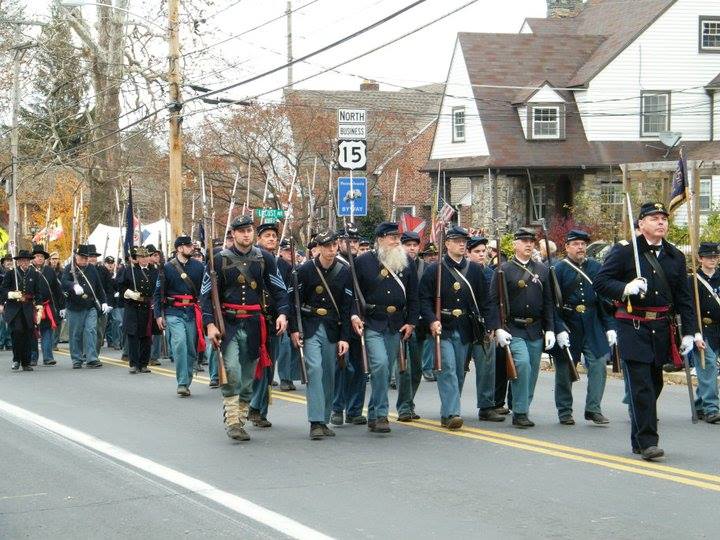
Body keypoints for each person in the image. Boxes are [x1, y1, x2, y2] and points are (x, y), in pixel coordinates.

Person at [594, 202, 700, 460]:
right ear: (641, 224)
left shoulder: (675, 256)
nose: (661, 222)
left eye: (664, 218)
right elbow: (601, 282)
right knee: (641, 385)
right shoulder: (625, 252)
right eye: (654, 218)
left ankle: (638, 438)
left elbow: (684, 298)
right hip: (633, 325)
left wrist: (690, 332)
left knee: (655, 383)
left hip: (662, 327)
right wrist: (626, 288)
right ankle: (649, 442)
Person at [203, 216, 290, 442]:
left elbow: (279, 290)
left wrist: (282, 313)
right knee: (231, 370)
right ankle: (233, 420)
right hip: (228, 324)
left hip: (254, 323)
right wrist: (210, 324)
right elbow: (205, 297)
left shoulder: (265, 259)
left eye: (249, 230)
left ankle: (240, 417)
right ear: (233, 234)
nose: (246, 234)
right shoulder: (218, 260)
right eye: (241, 231)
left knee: (249, 376)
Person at [419, 226, 495, 429]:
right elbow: (424, 300)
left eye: (464, 241)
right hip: (442, 327)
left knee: (459, 372)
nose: (462, 244)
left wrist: (490, 325)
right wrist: (431, 320)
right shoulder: (435, 269)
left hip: (465, 328)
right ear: (448, 244)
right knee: (448, 369)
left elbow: (485, 301)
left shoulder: (475, 270)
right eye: (457, 240)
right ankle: (452, 413)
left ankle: (449, 409)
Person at [350, 222, 418, 433]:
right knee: (379, 365)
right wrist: (354, 314)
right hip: (372, 321)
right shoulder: (363, 262)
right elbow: (353, 292)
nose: (396, 240)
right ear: (379, 239)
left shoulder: (407, 262)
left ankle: (372, 413)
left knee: (386, 371)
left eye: (397, 236)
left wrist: (412, 321)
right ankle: (381, 414)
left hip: (396, 322)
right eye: (391, 237)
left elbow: (414, 296)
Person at [490, 228, 558, 428]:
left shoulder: (542, 270)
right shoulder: (503, 270)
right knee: (523, 365)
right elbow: (494, 302)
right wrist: (497, 328)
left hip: (535, 328)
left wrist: (551, 329)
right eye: (524, 241)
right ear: (515, 245)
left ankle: (521, 403)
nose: (529, 244)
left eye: (531, 241)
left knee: (532, 372)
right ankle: (520, 412)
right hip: (513, 328)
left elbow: (548, 303)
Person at [289, 230, 351, 439]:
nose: (331, 250)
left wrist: (344, 337)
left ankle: (323, 419)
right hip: (311, 325)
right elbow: (294, 303)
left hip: (333, 327)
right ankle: (315, 421)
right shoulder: (305, 270)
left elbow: (347, 307)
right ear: (319, 247)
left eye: (334, 246)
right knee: (314, 369)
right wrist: (294, 329)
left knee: (329, 374)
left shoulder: (344, 271)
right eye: (327, 246)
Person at [552, 230, 613, 425]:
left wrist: (610, 326)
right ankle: (564, 411)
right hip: (569, 323)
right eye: (576, 244)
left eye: (583, 244)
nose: (580, 247)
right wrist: (559, 327)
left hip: (592, 322)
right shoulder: (558, 269)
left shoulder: (595, 267)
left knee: (598, 365)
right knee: (565, 369)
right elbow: (551, 302)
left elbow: (603, 298)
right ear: (567, 247)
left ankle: (593, 409)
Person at [154, 236, 206, 397]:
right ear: (179, 248)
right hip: (173, 312)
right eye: (188, 246)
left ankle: (187, 379)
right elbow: (158, 294)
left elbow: (205, 291)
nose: (192, 248)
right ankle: (182, 382)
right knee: (180, 344)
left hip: (191, 311)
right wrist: (158, 315)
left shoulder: (199, 267)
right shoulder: (167, 268)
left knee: (190, 348)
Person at [331, 224, 368, 426]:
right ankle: (337, 408)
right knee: (342, 367)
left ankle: (354, 410)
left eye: (355, 241)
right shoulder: (335, 264)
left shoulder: (361, 263)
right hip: (340, 322)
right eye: (349, 241)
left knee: (360, 367)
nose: (353, 244)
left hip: (361, 321)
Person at [466, 235, 504, 422]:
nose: (481, 255)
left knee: (487, 367)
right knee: (456, 368)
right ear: (468, 253)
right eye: (477, 252)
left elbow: (494, 303)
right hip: (463, 324)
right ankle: (451, 408)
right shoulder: (462, 272)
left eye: (483, 252)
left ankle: (487, 406)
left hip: (483, 325)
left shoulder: (491, 274)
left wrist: (493, 326)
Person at [61, 244, 109, 369]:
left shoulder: (92, 269)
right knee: (76, 334)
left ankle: (91, 358)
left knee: (91, 330)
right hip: (75, 306)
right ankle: (77, 359)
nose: (85, 260)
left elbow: (98, 287)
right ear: (76, 256)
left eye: (86, 258)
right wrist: (73, 286)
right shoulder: (69, 268)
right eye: (82, 257)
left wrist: (104, 301)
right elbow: (64, 282)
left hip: (90, 305)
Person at [690, 242, 720, 424]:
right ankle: (712, 409)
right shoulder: (693, 280)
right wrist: (695, 334)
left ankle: (699, 404)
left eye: (715, 257)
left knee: (709, 370)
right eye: (709, 257)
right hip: (703, 330)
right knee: (708, 366)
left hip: (719, 329)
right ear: (700, 258)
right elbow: (690, 310)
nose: (713, 260)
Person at [397, 230, 425, 422]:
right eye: (408, 245)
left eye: (415, 245)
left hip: (421, 323)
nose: (412, 248)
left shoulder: (426, 268)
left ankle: (409, 402)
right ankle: (404, 407)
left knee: (416, 369)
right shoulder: (397, 265)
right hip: (403, 323)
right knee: (404, 369)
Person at [121, 246, 158, 374]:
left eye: (146, 256)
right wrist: (128, 293)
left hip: (147, 306)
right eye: (141, 257)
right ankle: (133, 363)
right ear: (137, 258)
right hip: (133, 306)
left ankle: (144, 363)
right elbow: (119, 286)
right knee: (133, 335)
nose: (144, 259)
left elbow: (158, 289)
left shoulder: (154, 271)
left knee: (146, 336)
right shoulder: (129, 270)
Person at [0, 250, 39, 371]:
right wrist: (11, 294)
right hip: (14, 308)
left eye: (27, 260)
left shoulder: (34, 274)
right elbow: (3, 289)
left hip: (27, 308)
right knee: (17, 333)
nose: (25, 262)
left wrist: (39, 306)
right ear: (18, 262)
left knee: (28, 334)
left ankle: (26, 362)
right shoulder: (12, 273)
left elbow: (38, 292)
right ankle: (16, 359)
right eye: (22, 260)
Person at [30, 244, 63, 366]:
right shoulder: (29, 270)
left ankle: (48, 357)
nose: (39, 258)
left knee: (47, 331)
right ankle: (33, 357)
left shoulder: (49, 271)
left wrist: (61, 306)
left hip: (47, 306)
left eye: (41, 256)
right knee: (32, 332)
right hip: (32, 306)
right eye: (37, 256)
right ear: (32, 258)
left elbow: (56, 289)